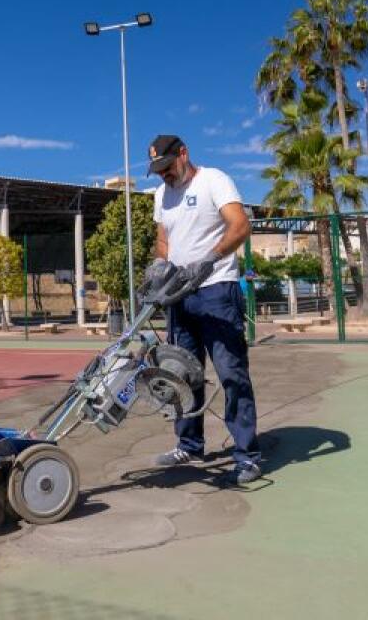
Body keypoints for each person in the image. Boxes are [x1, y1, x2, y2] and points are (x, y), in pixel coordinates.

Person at [148, 134, 261, 486]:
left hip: (216, 292)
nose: (164, 174)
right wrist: (157, 270)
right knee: (181, 373)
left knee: (231, 373)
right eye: (158, 170)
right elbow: (164, 240)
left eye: (168, 166)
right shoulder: (160, 195)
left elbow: (240, 224)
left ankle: (246, 455)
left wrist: (210, 260)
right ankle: (189, 443)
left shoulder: (214, 179)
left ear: (184, 153)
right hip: (179, 296)